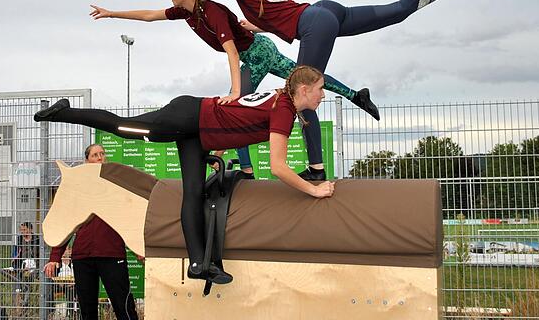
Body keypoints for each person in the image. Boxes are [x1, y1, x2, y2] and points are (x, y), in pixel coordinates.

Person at [123, 0, 501, 180]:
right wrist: (257, 27)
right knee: (396, 10)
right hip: (324, 12)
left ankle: (317, 170)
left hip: (314, 23)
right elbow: (278, 16)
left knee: (299, 95)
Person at [35, 67, 335, 284]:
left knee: (193, 192)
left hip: (199, 132)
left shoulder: (283, 102)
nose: (323, 94)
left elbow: (239, 124)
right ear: (305, 89)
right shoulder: (283, 108)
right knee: (123, 127)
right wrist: (315, 191)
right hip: (188, 118)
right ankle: (64, 112)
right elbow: (279, 167)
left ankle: (198, 264)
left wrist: (217, 151)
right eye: (320, 88)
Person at [89, 0, 378, 177]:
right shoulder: (187, 12)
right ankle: (355, 95)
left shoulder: (212, 11)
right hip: (258, 50)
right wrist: (112, 13)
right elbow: (150, 15)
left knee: (242, 106)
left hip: (256, 53)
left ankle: (248, 170)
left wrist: (236, 92)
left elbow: (232, 52)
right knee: (302, 78)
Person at [43, 144, 139, 320]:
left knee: (123, 305)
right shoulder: (77, 189)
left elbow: (130, 218)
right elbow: (65, 222)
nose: (100, 157)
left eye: (102, 154)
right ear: (87, 160)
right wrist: (55, 258)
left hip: (111, 254)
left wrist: (139, 248)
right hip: (83, 257)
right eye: (95, 155)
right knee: (87, 310)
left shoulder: (116, 185)